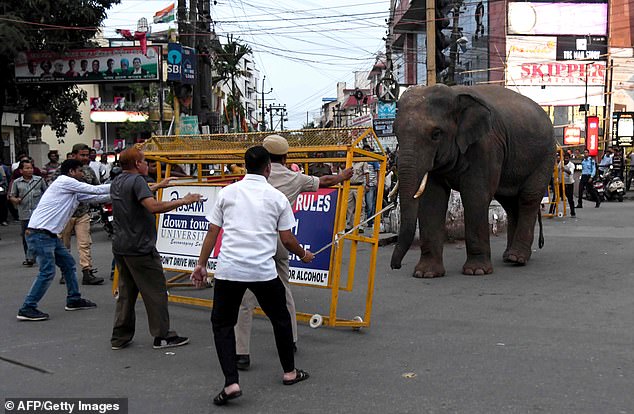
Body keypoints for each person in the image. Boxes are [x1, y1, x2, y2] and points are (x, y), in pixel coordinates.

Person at [190, 146, 314, 406]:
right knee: (280, 319)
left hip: (229, 270)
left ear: (245, 166)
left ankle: (231, 382)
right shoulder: (276, 197)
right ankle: (290, 372)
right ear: (268, 168)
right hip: (263, 271)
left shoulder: (227, 193)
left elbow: (213, 232)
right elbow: (287, 239)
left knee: (223, 325)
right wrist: (303, 255)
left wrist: (201, 265)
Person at [234, 134, 352, 370]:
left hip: (253, 241)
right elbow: (324, 181)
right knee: (283, 291)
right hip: (280, 240)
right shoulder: (294, 178)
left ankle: (241, 352)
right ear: (285, 157)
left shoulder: (249, 181)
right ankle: (291, 339)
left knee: (246, 297)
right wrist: (343, 176)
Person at [110, 148, 202, 350]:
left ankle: (119, 336)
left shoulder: (118, 180)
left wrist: (158, 185)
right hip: (140, 247)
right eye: (144, 161)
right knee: (156, 292)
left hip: (121, 246)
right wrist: (184, 201)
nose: (147, 165)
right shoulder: (137, 181)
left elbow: (137, 194)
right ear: (137, 164)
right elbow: (153, 207)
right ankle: (162, 335)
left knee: (127, 293)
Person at [16, 159, 110, 321]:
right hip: (40, 234)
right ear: (72, 172)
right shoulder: (65, 181)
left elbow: (96, 197)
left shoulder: (71, 189)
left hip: (48, 235)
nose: (83, 174)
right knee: (47, 272)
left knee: (68, 265)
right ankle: (27, 307)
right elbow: (94, 189)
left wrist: (124, 191)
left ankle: (73, 299)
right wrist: (124, 184)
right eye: (80, 171)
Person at [54, 144, 103, 285]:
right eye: (82, 155)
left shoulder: (88, 171)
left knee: (84, 244)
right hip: (65, 215)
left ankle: (87, 272)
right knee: (64, 245)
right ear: (74, 155)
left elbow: (96, 188)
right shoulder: (61, 172)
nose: (86, 158)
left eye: (87, 155)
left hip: (83, 213)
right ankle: (65, 272)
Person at [9, 159, 48, 266]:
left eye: (31, 168)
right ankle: (29, 257)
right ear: (21, 170)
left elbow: (47, 193)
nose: (30, 170)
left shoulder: (39, 180)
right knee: (27, 236)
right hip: (24, 213)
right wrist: (15, 200)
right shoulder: (17, 182)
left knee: (41, 235)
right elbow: (11, 196)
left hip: (38, 214)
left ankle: (42, 256)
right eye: (27, 168)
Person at [346, 159, 367, 232]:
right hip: (349, 186)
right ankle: (350, 224)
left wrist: (367, 184)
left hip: (359, 186)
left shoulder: (363, 162)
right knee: (349, 206)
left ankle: (360, 225)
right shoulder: (349, 161)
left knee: (360, 205)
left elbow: (366, 173)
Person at [561, 153, 576, 217]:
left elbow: (570, 172)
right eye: (565, 158)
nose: (565, 159)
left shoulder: (571, 165)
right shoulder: (561, 163)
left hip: (569, 183)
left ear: (569, 159)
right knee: (555, 198)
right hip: (561, 183)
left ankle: (573, 212)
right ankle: (552, 211)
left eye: (567, 158)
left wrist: (565, 170)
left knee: (570, 198)